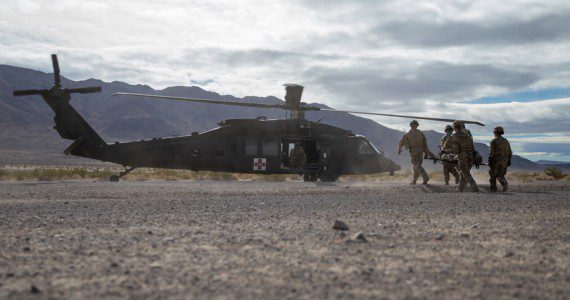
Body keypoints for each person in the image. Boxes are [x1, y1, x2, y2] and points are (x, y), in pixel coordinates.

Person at [442, 120, 479, 192]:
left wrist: (447, 150)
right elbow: (472, 147)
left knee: (465, 173)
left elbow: (444, 147)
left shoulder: (453, 136)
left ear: (454, 128)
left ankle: (474, 187)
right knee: (463, 173)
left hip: (462, 157)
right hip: (471, 157)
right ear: (461, 127)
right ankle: (460, 189)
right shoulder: (468, 135)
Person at [398, 120, 433, 185]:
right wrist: (426, 153)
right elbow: (425, 145)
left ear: (410, 126)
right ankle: (414, 180)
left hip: (414, 152)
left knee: (417, 166)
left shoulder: (407, 134)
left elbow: (401, 142)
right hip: (420, 152)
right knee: (416, 167)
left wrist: (399, 149)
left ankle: (425, 177)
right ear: (417, 125)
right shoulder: (421, 134)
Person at [488, 126, 512, 192]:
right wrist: (509, 160)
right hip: (504, 161)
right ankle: (505, 184)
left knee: (492, 175)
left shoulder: (494, 141)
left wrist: (490, 160)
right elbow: (510, 152)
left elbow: (491, 152)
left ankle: (493, 189)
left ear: (495, 132)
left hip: (496, 161)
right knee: (500, 175)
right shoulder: (506, 141)